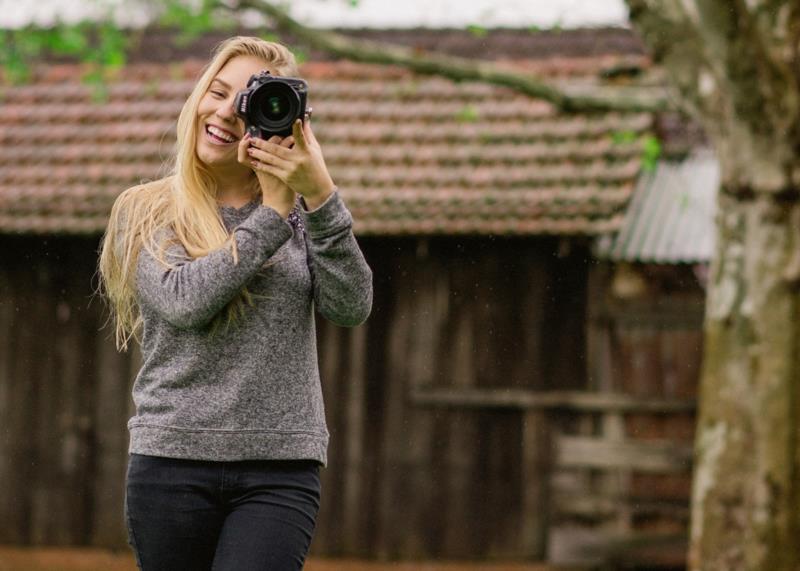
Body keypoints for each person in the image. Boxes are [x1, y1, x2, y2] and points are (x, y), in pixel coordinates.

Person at [96, 36, 373, 571]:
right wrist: (271, 216)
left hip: (280, 469)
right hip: (172, 461)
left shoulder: (305, 215)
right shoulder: (148, 210)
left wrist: (320, 198)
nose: (224, 112)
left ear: (280, 121)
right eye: (217, 92)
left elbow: (352, 305)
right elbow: (184, 301)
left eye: (247, 102)